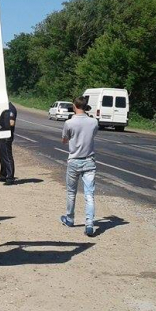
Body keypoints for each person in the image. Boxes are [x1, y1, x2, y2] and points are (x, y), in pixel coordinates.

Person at [60, 96, 98, 237]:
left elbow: (64, 140)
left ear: (74, 106)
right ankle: (89, 224)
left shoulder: (69, 123)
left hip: (74, 160)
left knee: (71, 192)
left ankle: (70, 219)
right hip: (89, 160)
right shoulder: (94, 122)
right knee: (89, 194)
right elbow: (92, 135)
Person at [0, 102, 17, 185]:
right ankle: (3, 175)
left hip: (7, 136)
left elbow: (11, 122)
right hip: (1, 134)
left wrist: (2, 124)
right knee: (2, 156)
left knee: (7, 157)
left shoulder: (10, 108)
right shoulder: (3, 107)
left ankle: (10, 177)